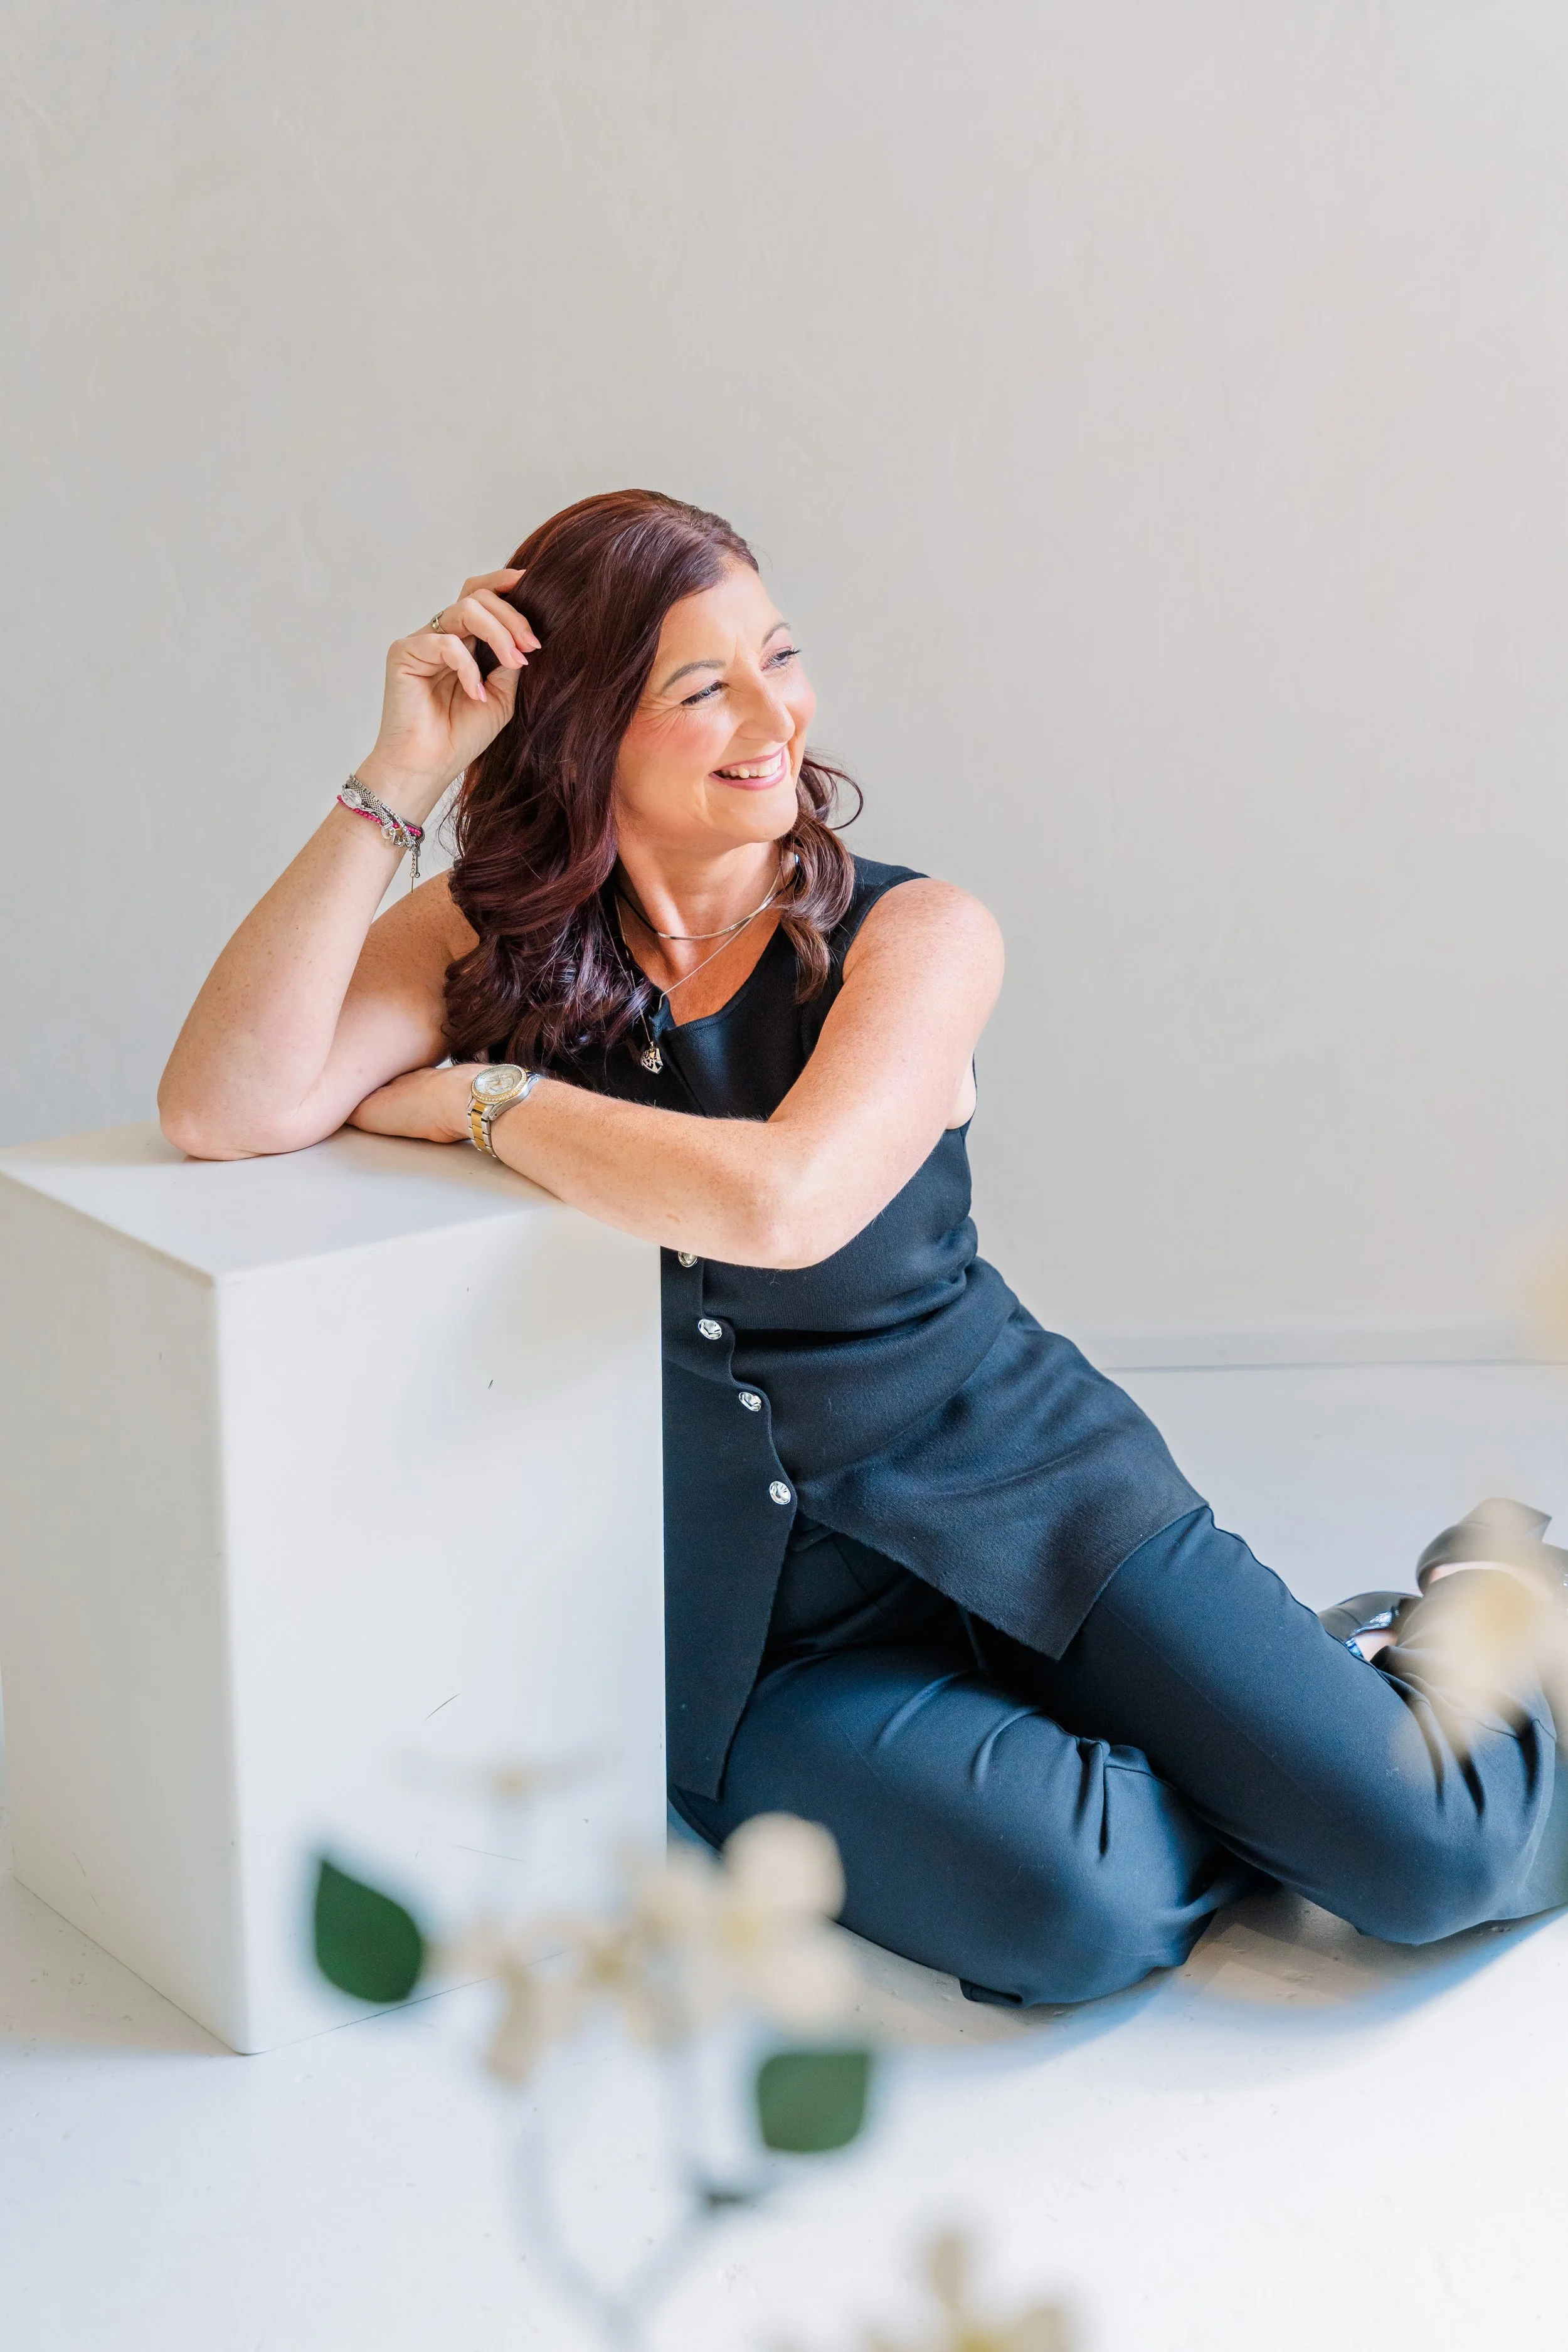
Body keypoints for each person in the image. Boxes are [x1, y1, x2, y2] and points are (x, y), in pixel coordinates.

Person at [160, 489, 1568, 2005]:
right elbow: (222, 1104)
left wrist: (489, 1101)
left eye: (778, 657)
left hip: (1034, 1493)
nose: (774, 715)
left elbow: (786, 1204)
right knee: (1071, 1914)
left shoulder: (915, 934)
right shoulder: (481, 937)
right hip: (753, 1629)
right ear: (582, 734)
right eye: (702, 688)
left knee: (1434, 1856)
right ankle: (1273, 1762)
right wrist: (398, 774)